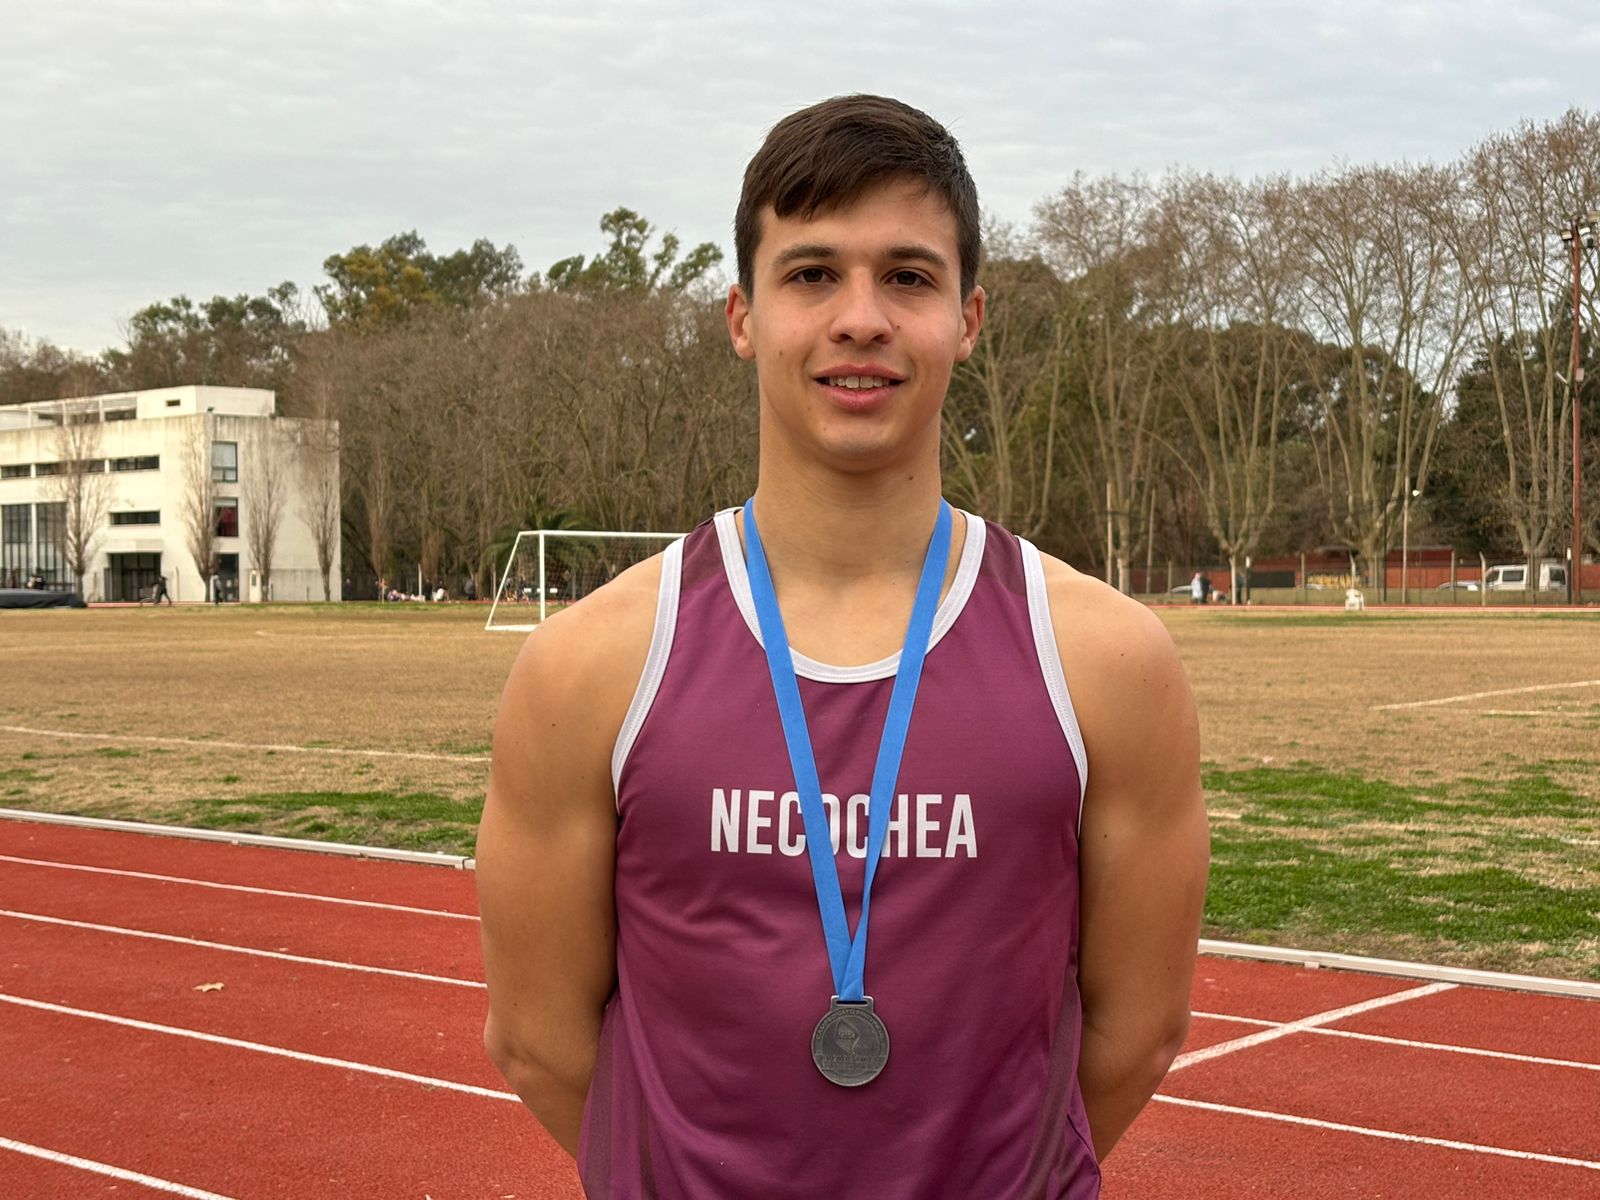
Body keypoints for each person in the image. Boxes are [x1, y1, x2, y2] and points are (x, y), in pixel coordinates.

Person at [477, 95, 1208, 1199]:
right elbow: (538, 1040)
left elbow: (1138, 1030)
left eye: (907, 277)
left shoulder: (1106, 660)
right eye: (812, 273)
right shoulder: (590, 666)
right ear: (742, 315)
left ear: (968, 318)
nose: (860, 319)